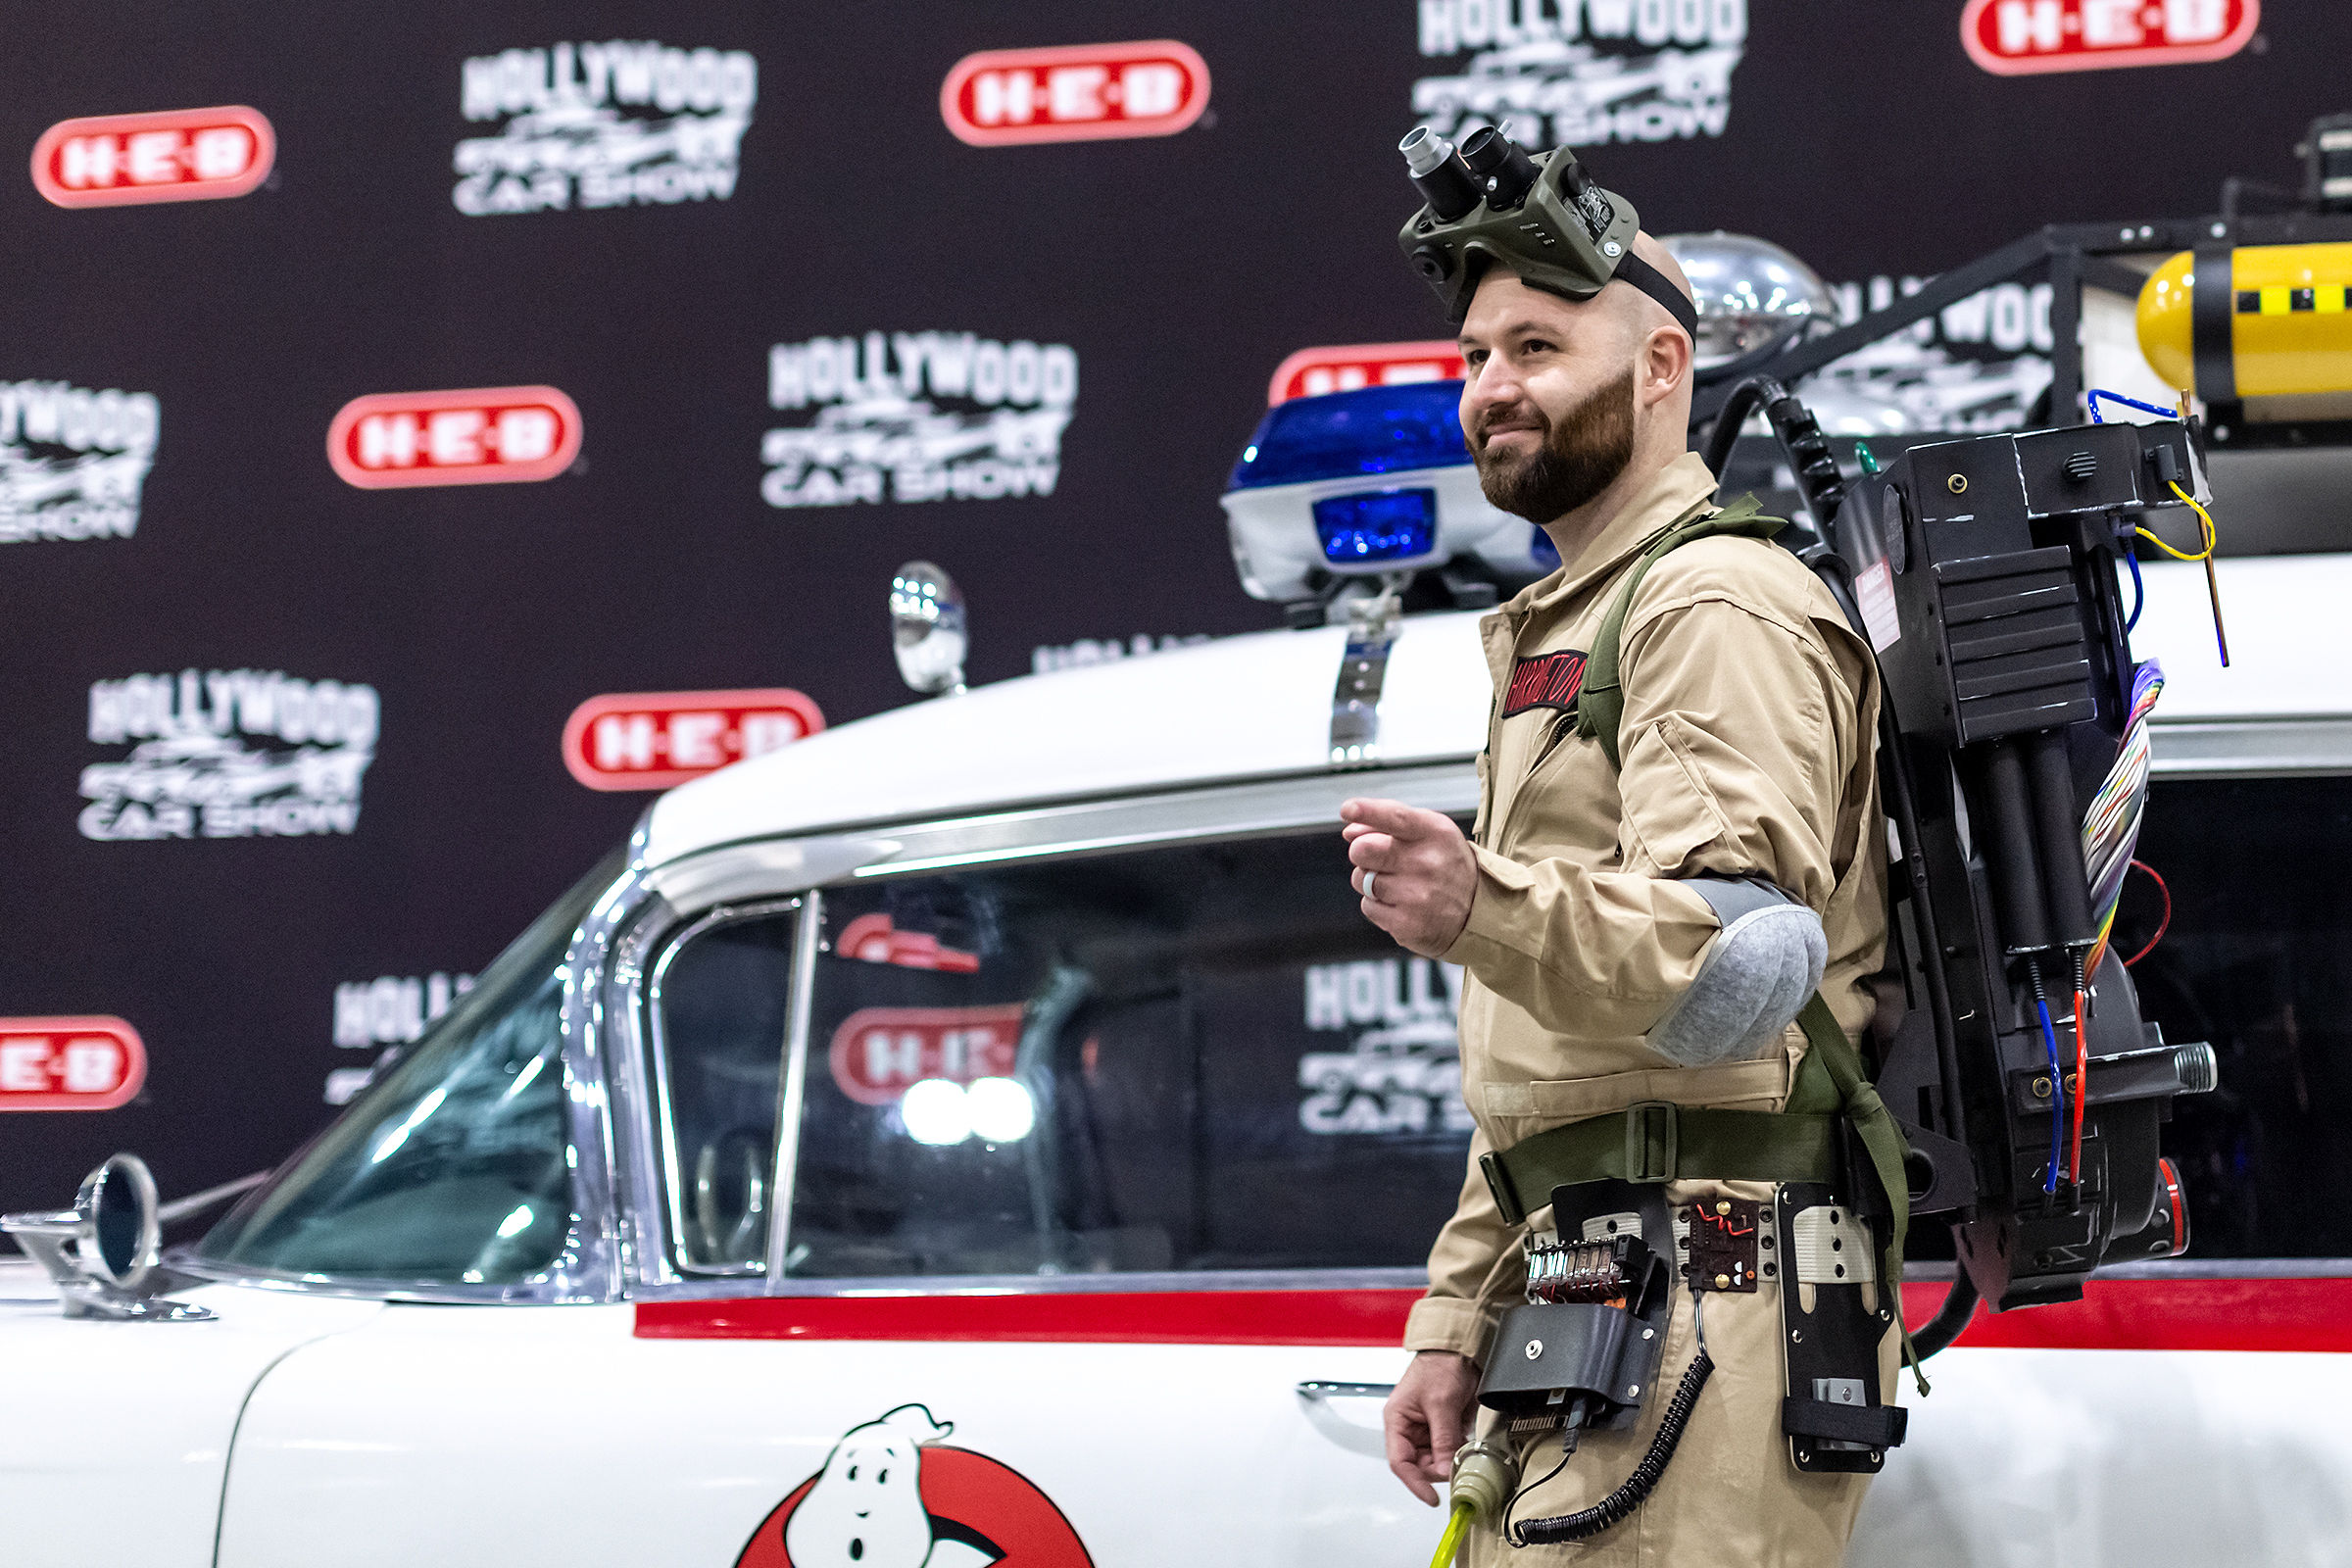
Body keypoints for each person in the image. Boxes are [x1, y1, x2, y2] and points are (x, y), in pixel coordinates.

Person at [1340, 232, 1892, 1564]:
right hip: (1602, 1287)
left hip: (1705, 1293)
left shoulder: (1711, 601)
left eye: (1536, 347)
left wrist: (1483, 905)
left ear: (1660, 366)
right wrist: (1458, 1319)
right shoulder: (1580, 616)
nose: (1491, 386)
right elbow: (1567, 1075)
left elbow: (1742, 967)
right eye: (1476, 354)